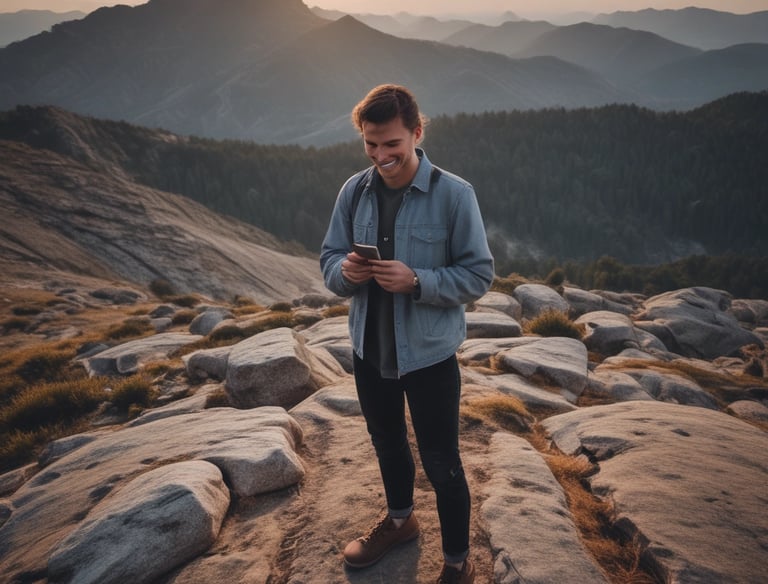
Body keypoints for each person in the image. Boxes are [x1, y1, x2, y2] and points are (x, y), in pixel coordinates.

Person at [320, 84, 494, 584]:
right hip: (369, 351)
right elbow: (330, 260)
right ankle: (400, 521)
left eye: (391, 144)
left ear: (417, 133)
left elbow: (479, 274)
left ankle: (458, 563)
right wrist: (345, 274)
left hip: (429, 357)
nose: (381, 156)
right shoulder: (354, 191)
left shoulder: (455, 195)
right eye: (371, 145)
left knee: (443, 463)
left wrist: (419, 282)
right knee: (387, 443)